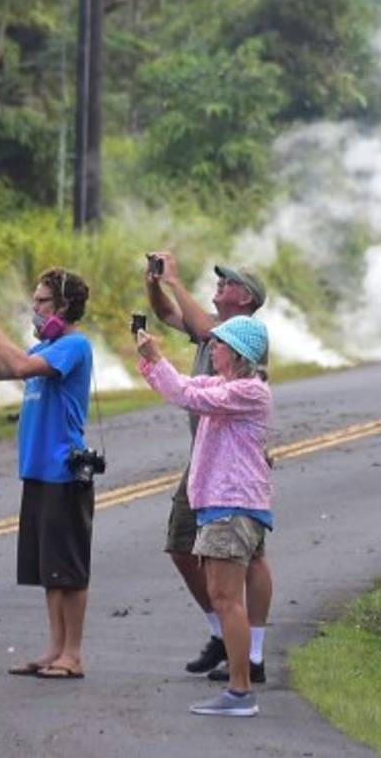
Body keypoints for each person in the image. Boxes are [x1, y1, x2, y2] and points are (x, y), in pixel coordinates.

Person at [145, 252, 273, 683]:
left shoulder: (243, 342)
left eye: (229, 282)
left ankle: (247, 659)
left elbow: (201, 339)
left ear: (248, 298)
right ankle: (230, 640)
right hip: (210, 460)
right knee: (193, 549)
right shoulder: (219, 344)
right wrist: (154, 283)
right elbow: (166, 313)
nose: (220, 285)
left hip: (230, 477)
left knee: (243, 563)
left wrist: (176, 280)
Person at [0, 269, 94, 680]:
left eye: (42, 301)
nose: (35, 308)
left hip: (63, 472)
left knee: (68, 569)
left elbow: (18, 366)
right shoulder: (48, 346)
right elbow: (0, 370)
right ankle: (54, 649)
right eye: (35, 300)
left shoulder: (73, 345)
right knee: (49, 570)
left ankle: (72, 655)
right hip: (37, 471)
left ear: (64, 306)